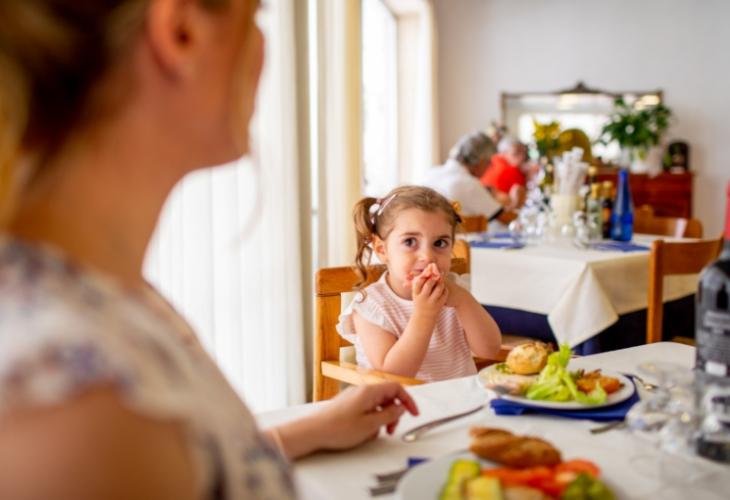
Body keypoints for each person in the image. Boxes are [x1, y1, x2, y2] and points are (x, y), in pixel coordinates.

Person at [0, 1, 417, 499]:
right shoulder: (76, 415)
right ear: (182, 32)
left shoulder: (97, 297)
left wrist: (308, 430)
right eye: (256, 16)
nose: (263, 49)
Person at [337, 186, 502, 382]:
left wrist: (463, 300)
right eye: (410, 242)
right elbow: (393, 375)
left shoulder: (455, 290)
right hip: (398, 408)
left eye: (440, 243)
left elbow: (490, 350)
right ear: (382, 250)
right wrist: (424, 315)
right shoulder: (371, 306)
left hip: (458, 402)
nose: (427, 256)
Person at [423, 131, 516, 225]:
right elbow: (506, 218)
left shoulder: (430, 173)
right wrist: (516, 202)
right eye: (489, 163)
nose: (489, 167)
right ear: (481, 161)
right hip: (458, 237)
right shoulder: (468, 183)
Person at [480, 136, 528, 210]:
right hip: (500, 214)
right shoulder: (512, 170)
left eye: (524, 153)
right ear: (503, 153)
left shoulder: (491, 161)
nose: (522, 157)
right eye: (516, 153)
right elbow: (524, 198)